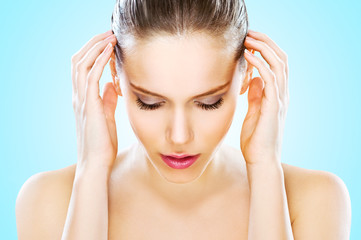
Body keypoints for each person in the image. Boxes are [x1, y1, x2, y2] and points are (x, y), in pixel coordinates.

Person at [15, 0, 351, 239]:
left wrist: (265, 166)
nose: (178, 137)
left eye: (208, 103)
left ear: (247, 78)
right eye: (150, 103)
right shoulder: (49, 201)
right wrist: (92, 171)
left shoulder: (314, 199)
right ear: (116, 81)